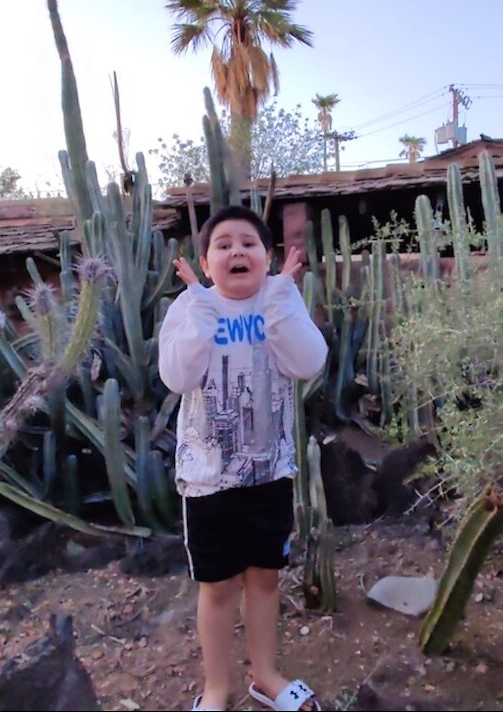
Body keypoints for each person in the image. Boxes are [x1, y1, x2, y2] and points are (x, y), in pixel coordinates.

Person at [158, 205, 328, 712]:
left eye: (249, 243)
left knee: (265, 579)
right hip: (208, 480)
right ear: (207, 263)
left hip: (269, 473)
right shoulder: (190, 308)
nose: (237, 250)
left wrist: (279, 301)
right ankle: (216, 687)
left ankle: (266, 675)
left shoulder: (281, 301)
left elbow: (308, 362)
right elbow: (177, 376)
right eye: (224, 244)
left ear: (268, 257)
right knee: (216, 588)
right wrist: (201, 310)